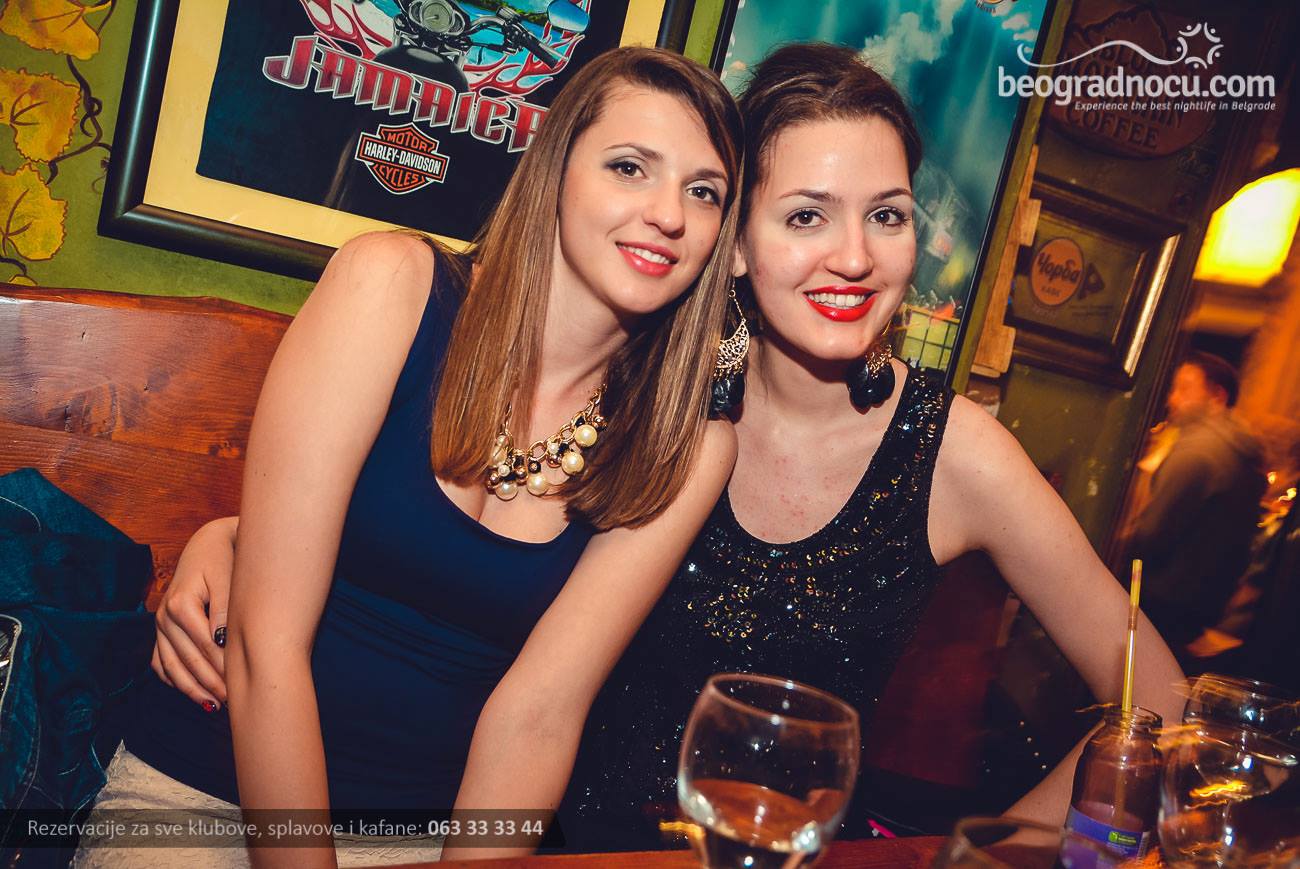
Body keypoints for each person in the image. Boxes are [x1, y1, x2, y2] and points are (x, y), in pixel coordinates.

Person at [154, 43, 1185, 854]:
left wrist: (1007, 855)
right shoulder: (671, 405)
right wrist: (235, 534)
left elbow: (1161, 704)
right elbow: (400, 549)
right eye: (806, 215)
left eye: (887, 216)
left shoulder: (899, 447)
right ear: (738, 248)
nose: (853, 256)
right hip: (545, 840)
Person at [74, 46, 742, 869]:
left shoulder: (686, 445)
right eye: (630, 167)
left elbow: (539, 714)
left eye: (703, 191)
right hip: (206, 796)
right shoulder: (389, 286)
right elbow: (266, 639)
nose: (668, 214)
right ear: (556, 172)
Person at [1125, 352, 1266, 653]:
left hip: (1160, 600)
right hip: (1198, 606)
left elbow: (1151, 536)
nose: (1173, 399)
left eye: (1185, 389)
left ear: (1217, 397)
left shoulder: (1198, 453)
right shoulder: (1240, 450)